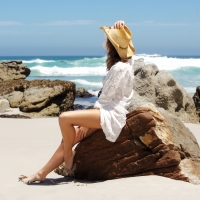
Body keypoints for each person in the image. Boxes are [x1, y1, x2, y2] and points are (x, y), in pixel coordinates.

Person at [19, 20, 135, 184]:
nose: (104, 41)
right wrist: (123, 32)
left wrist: (87, 120)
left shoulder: (120, 68)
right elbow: (128, 53)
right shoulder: (125, 63)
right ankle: (41, 173)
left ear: (111, 44)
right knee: (68, 138)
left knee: (64, 118)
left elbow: (104, 100)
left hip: (110, 113)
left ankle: (68, 155)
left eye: (106, 39)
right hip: (107, 109)